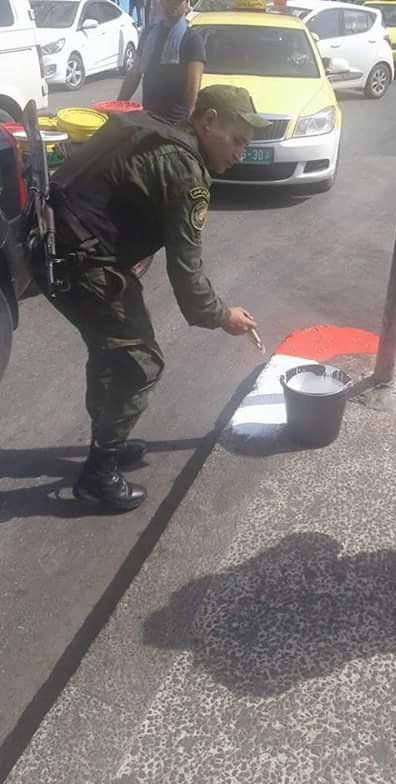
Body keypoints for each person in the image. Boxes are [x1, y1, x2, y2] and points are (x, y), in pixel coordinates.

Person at [38, 85, 270, 513]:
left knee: (112, 351)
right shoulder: (185, 170)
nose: (240, 154)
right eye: (237, 141)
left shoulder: (157, 130)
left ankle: (108, 441)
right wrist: (224, 316)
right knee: (138, 363)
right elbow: (188, 278)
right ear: (208, 121)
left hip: (54, 241)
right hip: (79, 262)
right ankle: (98, 476)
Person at [118, 0, 205, 125]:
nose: (172, 4)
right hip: (148, 118)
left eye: (178, 2)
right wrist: (118, 106)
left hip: (175, 123)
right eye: (168, 1)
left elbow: (193, 85)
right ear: (161, 3)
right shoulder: (149, 33)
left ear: (186, 6)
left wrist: (187, 121)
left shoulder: (192, 39)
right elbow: (134, 73)